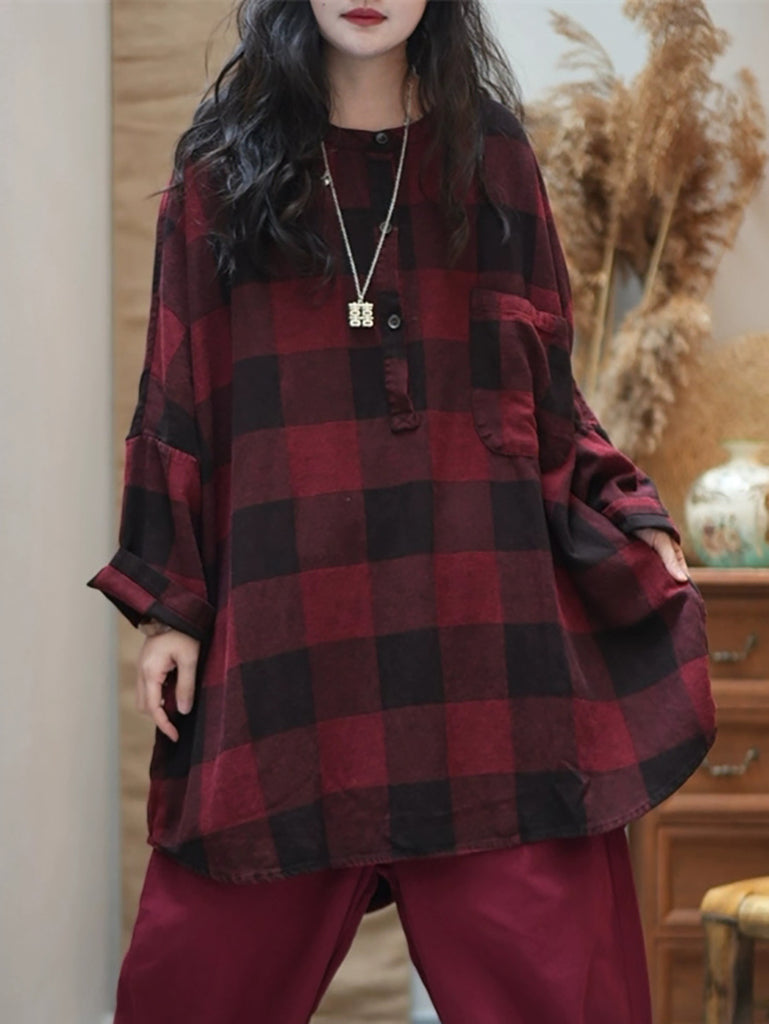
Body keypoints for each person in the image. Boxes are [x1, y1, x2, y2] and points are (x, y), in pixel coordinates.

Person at [87, 2, 716, 1021]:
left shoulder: (494, 158)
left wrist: (628, 508)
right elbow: (177, 402)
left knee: (563, 992)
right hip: (289, 645)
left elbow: (548, 394)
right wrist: (169, 603)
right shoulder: (220, 171)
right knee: (187, 985)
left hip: (485, 650)